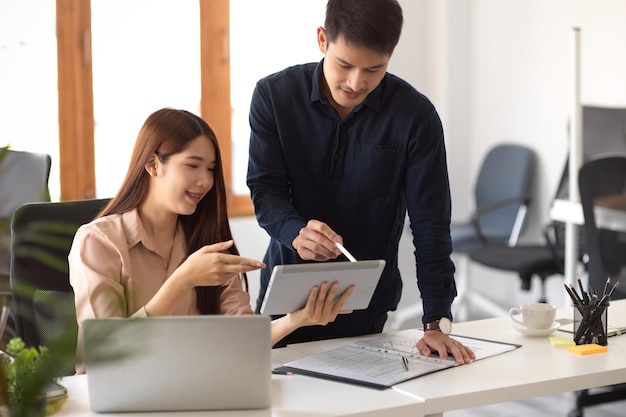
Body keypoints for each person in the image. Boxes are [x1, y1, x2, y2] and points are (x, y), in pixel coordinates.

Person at [247, 0, 475, 364]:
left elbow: (430, 226)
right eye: (344, 65)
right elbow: (265, 188)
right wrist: (295, 231)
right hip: (285, 301)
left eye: (374, 69)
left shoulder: (415, 117)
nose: (356, 83)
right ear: (322, 39)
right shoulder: (274, 97)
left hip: (366, 305)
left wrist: (435, 321)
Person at [69, 108, 354, 374]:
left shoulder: (204, 240)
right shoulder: (99, 242)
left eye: (210, 169)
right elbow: (102, 352)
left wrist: (298, 318)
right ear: (153, 165)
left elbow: (241, 335)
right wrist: (182, 280)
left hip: (193, 385)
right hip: (120, 394)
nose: (205, 181)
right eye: (193, 165)